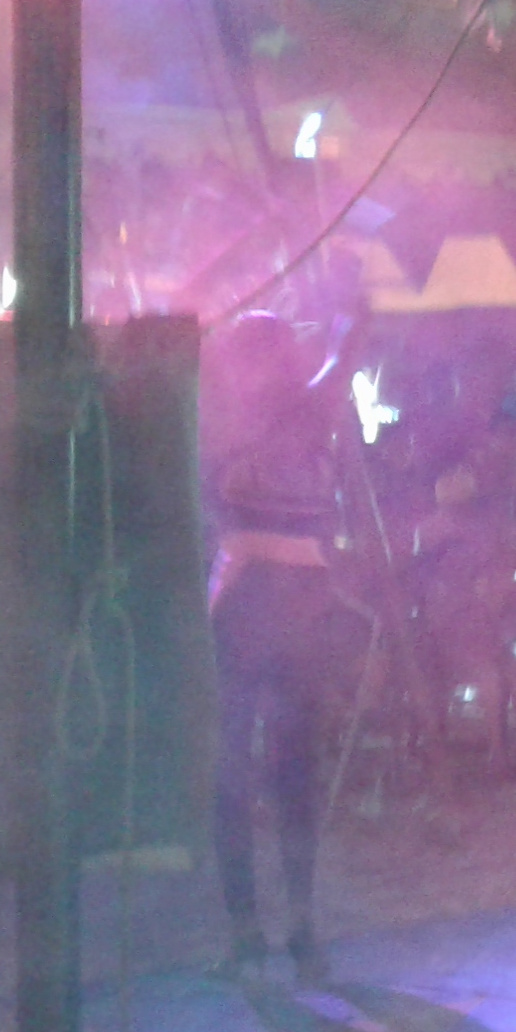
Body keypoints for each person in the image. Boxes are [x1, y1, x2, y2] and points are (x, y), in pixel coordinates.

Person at [202, 312, 360, 984]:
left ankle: (298, 929)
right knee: (233, 776)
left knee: (290, 773)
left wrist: (349, 303)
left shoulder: (308, 413)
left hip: (288, 616)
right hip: (245, 613)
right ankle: (251, 933)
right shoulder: (221, 422)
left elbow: (349, 350)